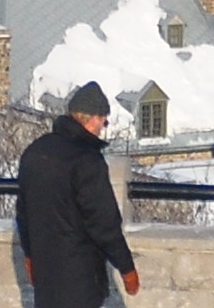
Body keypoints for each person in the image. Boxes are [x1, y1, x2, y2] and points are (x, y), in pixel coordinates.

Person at [15, 81, 140, 308]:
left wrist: (30, 255)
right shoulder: (87, 160)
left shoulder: (35, 151)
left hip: (46, 271)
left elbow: (23, 212)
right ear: (92, 118)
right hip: (80, 275)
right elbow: (104, 222)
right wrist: (126, 267)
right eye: (103, 119)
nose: (103, 126)